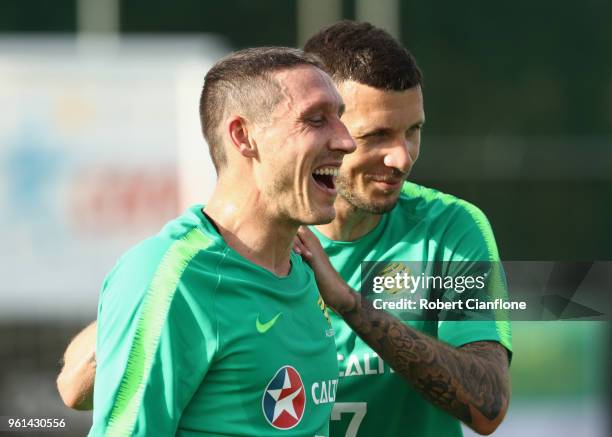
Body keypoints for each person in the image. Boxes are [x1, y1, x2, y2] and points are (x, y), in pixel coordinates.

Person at [58, 22, 512, 437]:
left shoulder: (448, 228)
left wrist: (356, 310)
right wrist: (151, 300)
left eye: (413, 131)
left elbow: (488, 406)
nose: (402, 158)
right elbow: (76, 388)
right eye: (375, 135)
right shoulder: (217, 258)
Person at [85, 46, 355, 436]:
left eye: (340, 119)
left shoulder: (304, 268)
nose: (347, 141)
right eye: (315, 120)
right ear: (243, 136)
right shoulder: (171, 278)